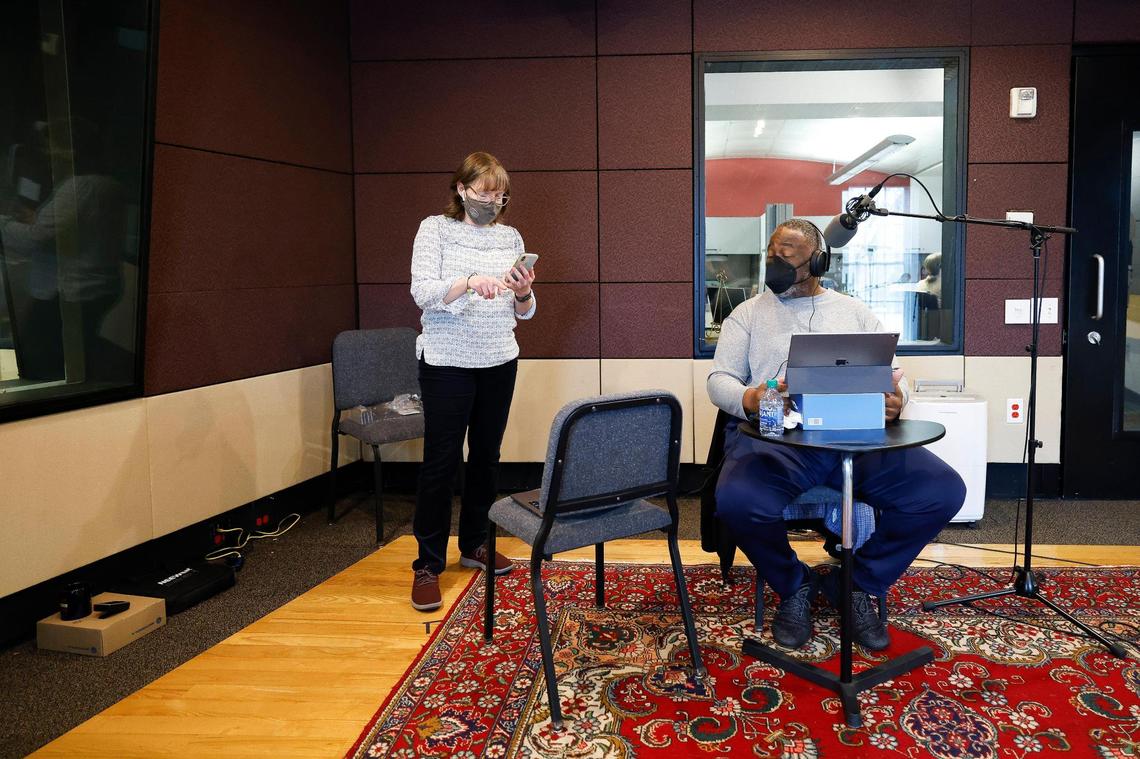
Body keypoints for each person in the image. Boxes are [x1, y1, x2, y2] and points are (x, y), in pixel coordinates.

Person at [707, 219, 964, 650]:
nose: (774, 265)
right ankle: (795, 586)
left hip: (857, 437)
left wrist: (895, 400)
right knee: (737, 501)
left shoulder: (854, 312)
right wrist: (751, 398)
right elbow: (719, 379)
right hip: (779, 438)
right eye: (771, 255)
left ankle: (857, 583)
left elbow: (891, 377)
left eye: (786, 258)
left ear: (818, 261)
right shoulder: (747, 313)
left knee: (941, 491)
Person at [408, 151, 537, 612]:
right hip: (446, 361)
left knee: (487, 457)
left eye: (500, 194)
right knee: (441, 462)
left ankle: (476, 543)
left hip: (499, 358)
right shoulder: (435, 229)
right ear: (461, 189)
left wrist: (523, 292)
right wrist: (468, 281)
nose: (493, 201)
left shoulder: (511, 235)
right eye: (484, 192)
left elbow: (523, 310)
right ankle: (426, 564)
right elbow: (422, 291)